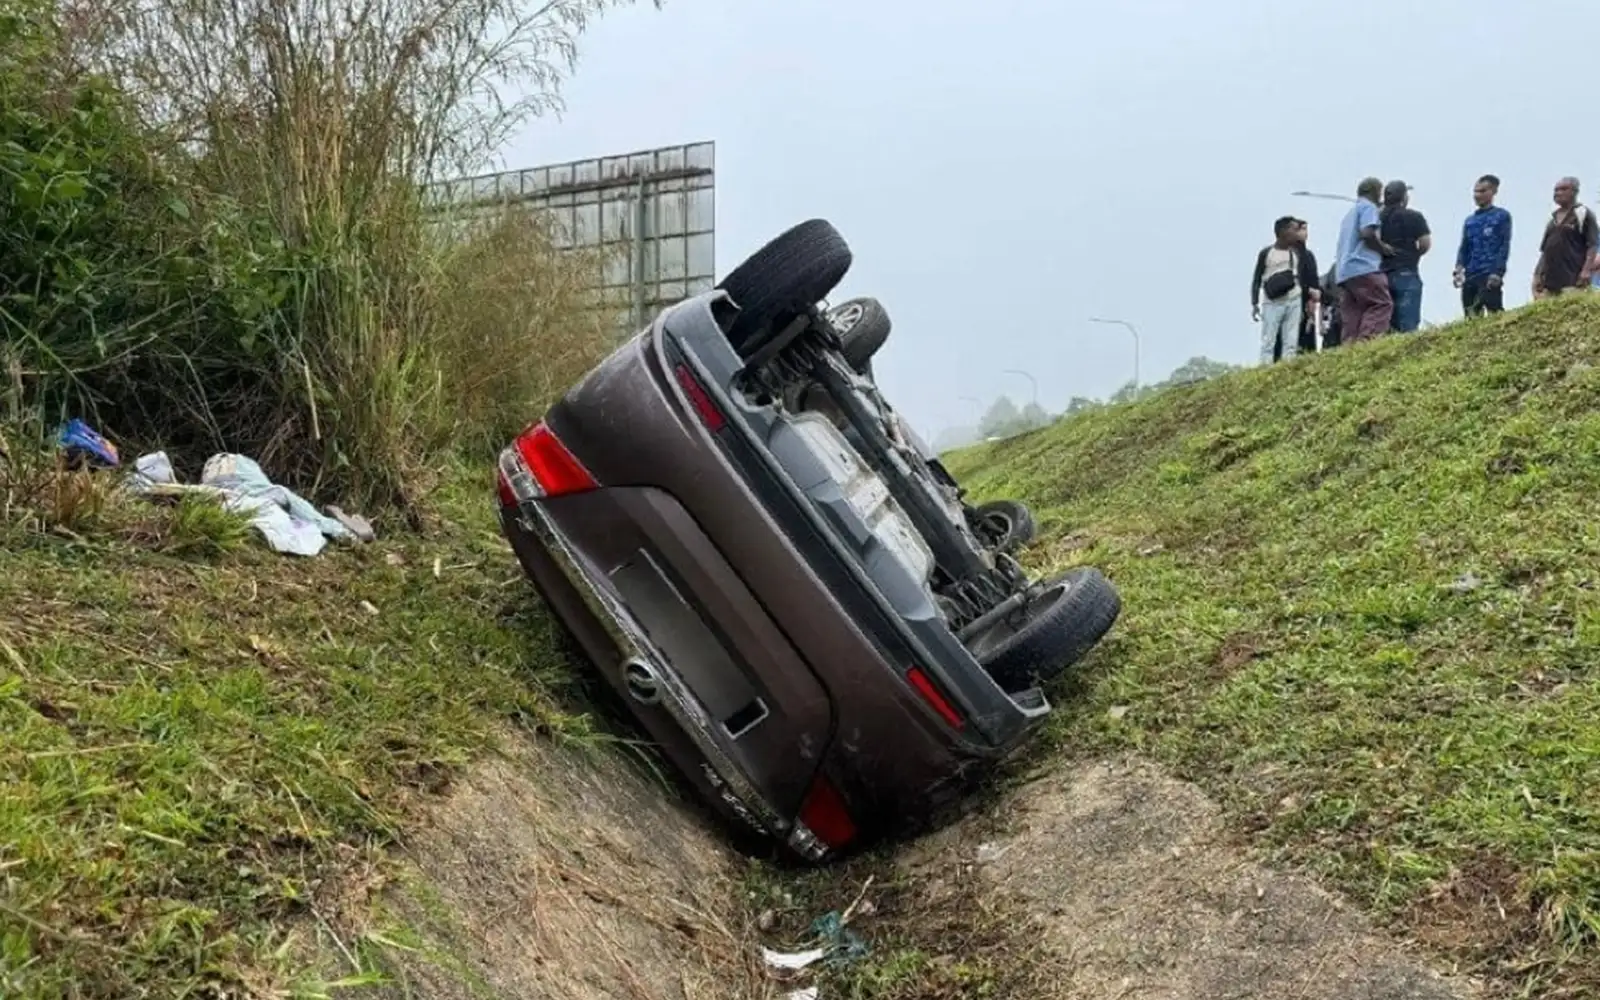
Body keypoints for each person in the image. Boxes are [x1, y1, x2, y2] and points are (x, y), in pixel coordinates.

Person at [1335, 177, 1395, 343]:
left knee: (1353, 314)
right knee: (1381, 304)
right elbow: (1367, 233)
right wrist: (1383, 248)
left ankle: (1350, 349)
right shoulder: (1368, 208)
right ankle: (1367, 343)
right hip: (1363, 267)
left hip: (1345, 272)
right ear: (1375, 192)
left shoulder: (1350, 214)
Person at [1251, 216, 1318, 364]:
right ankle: (1265, 369)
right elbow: (1257, 278)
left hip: (1293, 299)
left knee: (1291, 340)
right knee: (1269, 339)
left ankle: (1287, 368)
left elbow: (1300, 278)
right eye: (1294, 230)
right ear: (1283, 232)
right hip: (1272, 301)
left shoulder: (1297, 254)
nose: (1297, 233)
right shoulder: (1267, 253)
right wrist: (1254, 302)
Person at [1453, 174, 1512, 317]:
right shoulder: (1470, 221)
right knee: (1471, 315)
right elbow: (1464, 247)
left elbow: (1504, 246)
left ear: (1493, 192)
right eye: (1475, 191)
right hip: (1471, 274)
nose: (1477, 195)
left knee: (1495, 313)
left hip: (1489, 273)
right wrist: (1459, 269)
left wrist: (1498, 272)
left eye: (1482, 191)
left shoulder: (1501, 216)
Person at [1533, 176, 1599, 299]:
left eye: (1563, 189)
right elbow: (1545, 251)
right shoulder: (1552, 220)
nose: (1558, 193)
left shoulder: (1583, 214)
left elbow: (1593, 244)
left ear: (1575, 192)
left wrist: (1586, 270)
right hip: (1550, 283)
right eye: (1556, 190)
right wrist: (1537, 275)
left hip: (1573, 280)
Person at [1379, 180, 1431, 332]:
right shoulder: (1414, 216)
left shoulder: (1378, 218)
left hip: (1382, 274)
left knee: (1388, 324)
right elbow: (1425, 243)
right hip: (1406, 272)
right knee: (1408, 323)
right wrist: (1414, 254)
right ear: (1403, 197)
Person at [1294, 219, 1324, 354]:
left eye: (1306, 229)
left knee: (1306, 340)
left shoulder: (1308, 255)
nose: (1305, 233)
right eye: (1302, 229)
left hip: (1306, 303)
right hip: (1291, 301)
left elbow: (1314, 280)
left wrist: (1315, 297)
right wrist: (1309, 290)